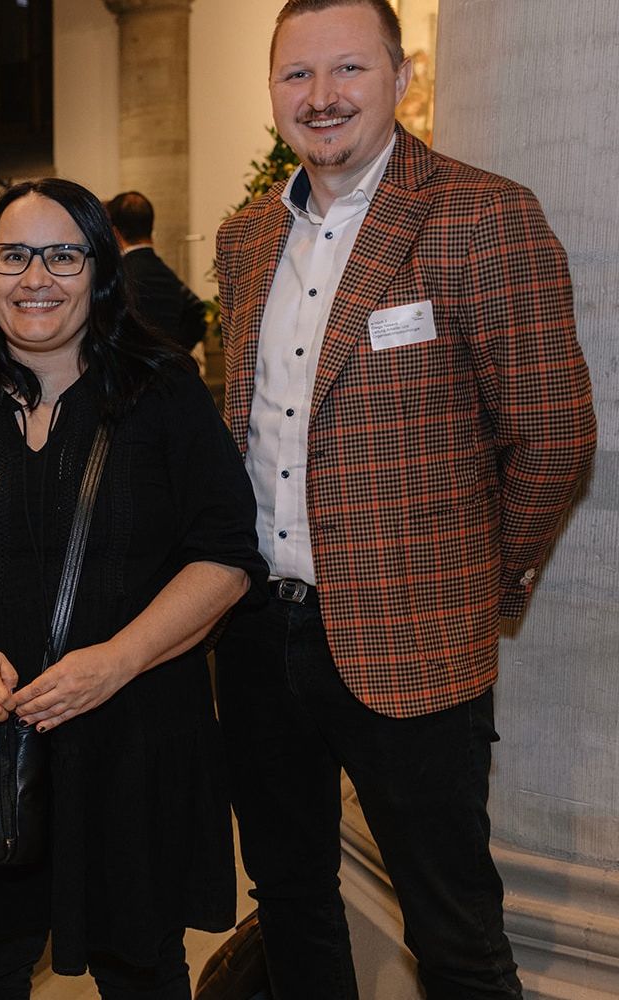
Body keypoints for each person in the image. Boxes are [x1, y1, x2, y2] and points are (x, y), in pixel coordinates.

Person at [213, 2, 596, 997]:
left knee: (454, 932)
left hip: (417, 636)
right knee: (290, 899)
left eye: (347, 69)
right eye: (296, 75)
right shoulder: (246, 238)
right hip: (257, 633)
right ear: (272, 91)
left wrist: (474, 582)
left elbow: (554, 435)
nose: (321, 96)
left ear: (401, 79)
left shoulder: (483, 215)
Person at [0, 178, 265, 998]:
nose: (35, 277)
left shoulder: (163, 392)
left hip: (131, 743)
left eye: (62, 255)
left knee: (141, 970)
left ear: (100, 269)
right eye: (13, 256)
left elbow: (225, 559)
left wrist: (117, 661)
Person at [103, 191, 207, 353]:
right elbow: (197, 311)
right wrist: (175, 351)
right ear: (150, 226)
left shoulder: (117, 275)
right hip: (165, 363)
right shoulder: (166, 274)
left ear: (115, 233)